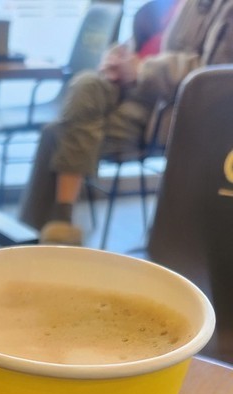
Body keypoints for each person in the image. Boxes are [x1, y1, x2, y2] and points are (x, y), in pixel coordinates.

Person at [19, 0, 233, 245]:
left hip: (162, 109)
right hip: (126, 90)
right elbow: (137, 44)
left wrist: (142, 69)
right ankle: (47, 235)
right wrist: (115, 58)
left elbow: (213, 75)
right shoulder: (168, 5)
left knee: (57, 132)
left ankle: (39, 236)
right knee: (86, 84)